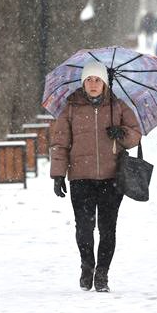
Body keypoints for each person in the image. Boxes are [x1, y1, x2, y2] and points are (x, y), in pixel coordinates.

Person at [50, 61, 142, 292]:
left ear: (104, 83)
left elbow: (135, 135)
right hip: (81, 177)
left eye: (97, 80)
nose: (93, 84)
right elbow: (60, 143)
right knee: (83, 228)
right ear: (83, 83)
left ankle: (102, 274)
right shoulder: (70, 108)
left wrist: (122, 133)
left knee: (107, 228)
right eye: (88, 80)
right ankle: (87, 265)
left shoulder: (118, 106)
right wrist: (58, 175)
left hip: (112, 178)